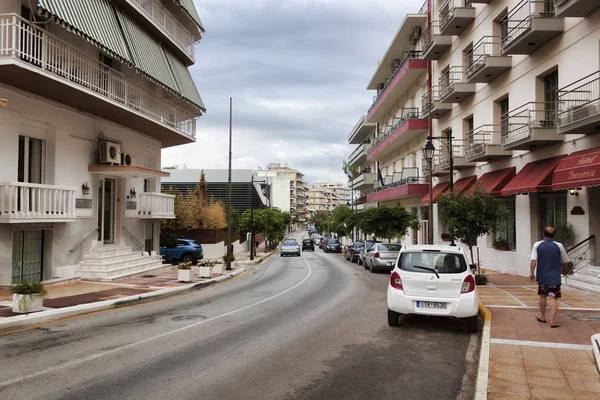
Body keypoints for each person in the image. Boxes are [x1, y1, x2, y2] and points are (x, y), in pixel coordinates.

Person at [530, 226, 570, 328]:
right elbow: (565, 261)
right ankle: (553, 321)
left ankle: (542, 316)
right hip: (554, 278)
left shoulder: (537, 245)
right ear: (554, 234)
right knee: (553, 298)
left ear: (543, 233)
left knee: (542, 295)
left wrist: (531, 273)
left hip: (542, 276)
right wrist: (565, 270)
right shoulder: (559, 246)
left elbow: (533, 260)